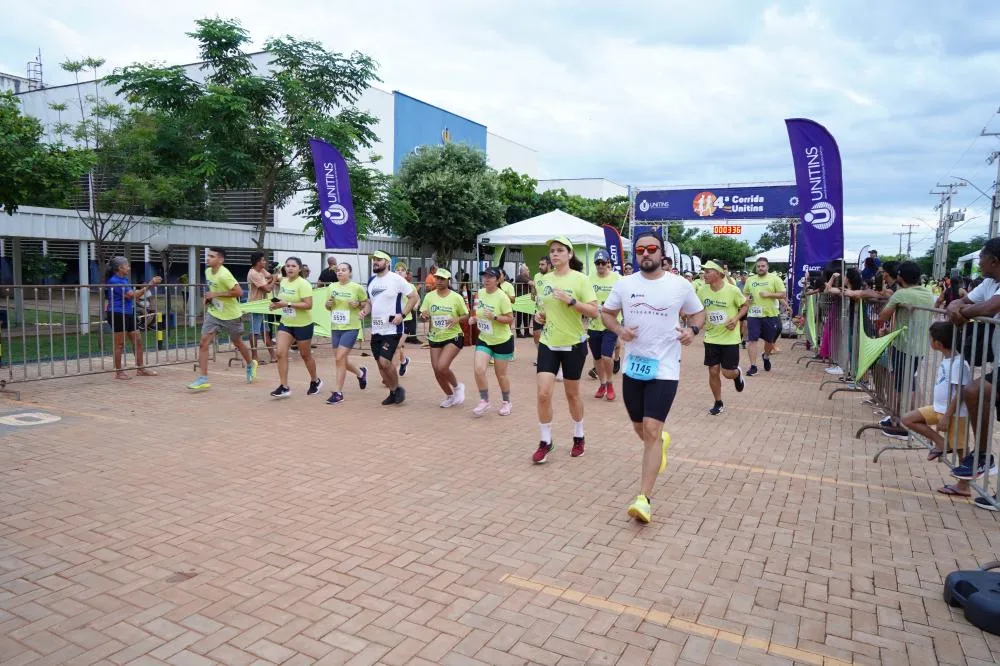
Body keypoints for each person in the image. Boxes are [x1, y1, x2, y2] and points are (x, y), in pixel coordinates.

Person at [601, 231, 704, 523]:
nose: (646, 254)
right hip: (634, 367)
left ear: (662, 253)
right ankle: (660, 442)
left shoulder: (680, 285)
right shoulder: (624, 284)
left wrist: (691, 331)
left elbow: (698, 314)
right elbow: (606, 314)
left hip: (665, 368)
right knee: (642, 430)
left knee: (651, 431)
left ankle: (643, 499)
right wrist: (620, 331)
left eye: (651, 249)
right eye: (640, 250)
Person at [532, 236, 600, 463]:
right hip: (548, 342)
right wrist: (539, 316)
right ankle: (545, 441)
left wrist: (571, 301)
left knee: (572, 394)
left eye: (560, 250)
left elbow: (593, 311)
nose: (555, 254)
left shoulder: (581, 279)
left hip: (573, 344)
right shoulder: (542, 280)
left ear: (570, 254)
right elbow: (542, 309)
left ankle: (579, 436)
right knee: (543, 393)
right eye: (552, 250)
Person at [947, 239, 1000, 499]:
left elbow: (991, 307)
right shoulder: (989, 283)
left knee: (974, 390)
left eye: (981, 258)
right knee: (974, 392)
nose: (978, 264)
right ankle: (981, 456)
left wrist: (964, 312)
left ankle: (981, 457)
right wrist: (959, 308)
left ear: (994, 261)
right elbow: (956, 304)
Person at [896, 322, 972, 497]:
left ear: (938, 343)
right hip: (939, 408)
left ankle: (964, 485)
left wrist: (947, 416)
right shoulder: (948, 360)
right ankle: (941, 443)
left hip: (954, 414)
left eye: (931, 339)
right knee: (908, 419)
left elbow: (960, 392)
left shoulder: (959, 364)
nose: (930, 342)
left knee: (961, 449)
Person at [876, 261, 935, 438]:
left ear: (900, 276)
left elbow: (882, 316)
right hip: (920, 346)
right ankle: (901, 419)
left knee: (903, 386)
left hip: (903, 345)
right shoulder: (928, 292)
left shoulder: (901, 294)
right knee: (908, 382)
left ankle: (903, 425)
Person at [188, 248, 258, 390]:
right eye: (207, 256)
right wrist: (209, 299)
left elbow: (239, 292)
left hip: (231, 315)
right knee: (203, 343)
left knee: (237, 342)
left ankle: (251, 363)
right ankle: (203, 378)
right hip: (214, 313)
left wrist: (215, 294)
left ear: (220, 260)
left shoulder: (224, 274)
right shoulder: (208, 272)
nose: (208, 258)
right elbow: (212, 291)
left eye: (212, 256)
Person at [369, 250, 420, 405]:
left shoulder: (396, 280)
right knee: (380, 365)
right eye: (374, 260)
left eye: (379, 259)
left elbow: (414, 297)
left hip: (392, 329)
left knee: (385, 362)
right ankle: (393, 391)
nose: (375, 262)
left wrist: (403, 315)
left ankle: (397, 389)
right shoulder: (372, 281)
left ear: (387, 262)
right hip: (376, 329)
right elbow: (369, 302)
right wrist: (365, 309)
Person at [696, 260, 746, 415]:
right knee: (713, 371)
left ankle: (737, 374)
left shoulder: (733, 290)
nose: (704, 275)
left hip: (730, 338)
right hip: (711, 337)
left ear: (718, 273)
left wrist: (736, 318)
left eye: (708, 271)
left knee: (727, 373)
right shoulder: (702, 291)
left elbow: (745, 306)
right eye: (704, 272)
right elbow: (700, 310)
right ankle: (718, 402)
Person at [268, 257, 322, 398]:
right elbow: (282, 300)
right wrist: (275, 305)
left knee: (305, 355)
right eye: (288, 266)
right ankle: (284, 386)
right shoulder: (284, 281)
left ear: (299, 269)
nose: (290, 268)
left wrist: (287, 304)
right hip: (286, 323)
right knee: (280, 353)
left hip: (303, 325)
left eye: (293, 266)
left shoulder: (303, 284)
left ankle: (315, 380)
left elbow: (308, 305)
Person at [419, 268, 469, 407]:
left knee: (442, 366)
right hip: (435, 336)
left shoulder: (456, 297)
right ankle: (450, 396)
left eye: (442, 279)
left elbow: (467, 315)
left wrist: (456, 319)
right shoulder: (429, 296)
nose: (439, 281)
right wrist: (423, 316)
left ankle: (458, 386)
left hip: (453, 335)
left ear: (448, 280)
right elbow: (423, 314)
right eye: (437, 278)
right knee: (436, 370)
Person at [106, 256, 161, 380]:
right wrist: (150, 284)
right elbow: (131, 295)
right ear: (120, 268)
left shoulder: (124, 280)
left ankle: (141, 369)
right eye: (127, 266)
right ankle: (119, 372)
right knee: (119, 344)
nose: (129, 268)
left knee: (138, 341)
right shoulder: (115, 281)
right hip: (117, 313)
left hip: (128, 312)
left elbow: (133, 296)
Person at [470, 267, 515, 416]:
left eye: (490, 277)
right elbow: (477, 310)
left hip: (502, 340)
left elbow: (510, 319)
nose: (486, 280)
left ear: (497, 280)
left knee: (500, 374)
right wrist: (474, 318)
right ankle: (484, 401)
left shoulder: (502, 297)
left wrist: (495, 317)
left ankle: (506, 402)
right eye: (484, 277)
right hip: (485, 338)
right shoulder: (480, 293)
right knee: (478, 369)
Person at [324, 262, 368, 405]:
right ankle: (361, 373)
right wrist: (328, 304)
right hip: (336, 327)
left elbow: (366, 303)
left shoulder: (357, 287)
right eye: (338, 270)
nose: (340, 272)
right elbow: (327, 306)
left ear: (350, 272)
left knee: (339, 358)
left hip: (351, 327)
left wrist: (358, 305)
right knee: (341, 359)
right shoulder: (331, 287)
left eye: (343, 270)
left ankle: (338, 393)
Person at [743, 257, 785, 376]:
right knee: (752, 340)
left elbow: (783, 294)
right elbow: (745, 293)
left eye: (763, 266)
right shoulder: (750, 280)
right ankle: (753, 366)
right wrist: (747, 299)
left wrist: (769, 294)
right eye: (758, 266)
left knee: (769, 341)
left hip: (770, 315)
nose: (760, 268)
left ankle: (766, 356)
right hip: (754, 314)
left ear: (767, 267)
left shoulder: (774, 278)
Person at [588, 250, 620, 400]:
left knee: (606, 356)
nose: (600, 266)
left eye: (602, 262)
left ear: (608, 262)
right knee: (597, 359)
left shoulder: (617, 279)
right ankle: (602, 384)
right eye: (597, 263)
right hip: (593, 324)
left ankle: (610, 383)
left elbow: (623, 299)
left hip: (611, 323)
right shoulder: (589, 278)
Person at [247, 252, 278, 364]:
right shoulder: (253, 273)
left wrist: (274, 277)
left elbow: (270, 277)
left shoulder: (262, 271)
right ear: (258, 262)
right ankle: (254, 357)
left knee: (265, 331)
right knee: (254, 331)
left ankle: (273, 356)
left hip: (262, 305)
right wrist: (273, 280)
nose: (265, 262)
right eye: (263, 260)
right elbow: (267, 289)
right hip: (255, 305)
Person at [392, 262, 415, 375]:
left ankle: (391, 374)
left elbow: (417, 298)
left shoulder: (410, 286)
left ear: (406, 274)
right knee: (397, 345)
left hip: (406, 320)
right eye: (397, 270)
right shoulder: (391, 285)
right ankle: (403, 361)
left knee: (397, 346)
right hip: (394, 320)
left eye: (402, 270)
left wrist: (415, 306)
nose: (400, 271)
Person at [529, 256, 552, 362]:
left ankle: (553, 360)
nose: (539, 267)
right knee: (536, 336)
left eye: (542, 264)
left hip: (552, 312)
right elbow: (533, 296)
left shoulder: (554, 276)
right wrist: (533, 289)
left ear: (549, 265)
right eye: (539, 264)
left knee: (551, 336)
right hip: (538, 311)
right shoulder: (537, 276)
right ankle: (541, 357)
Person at [515, 265, 533, 338]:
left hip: (527, 300)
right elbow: (532, 283)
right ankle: (518, 332)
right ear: (523, 271)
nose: (529, 271)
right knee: (519, 317)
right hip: (520, 300)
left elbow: (531, 282)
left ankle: (526, 332)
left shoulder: (527, 277)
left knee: (527, 317)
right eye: (527, 270)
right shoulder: (519, 277)